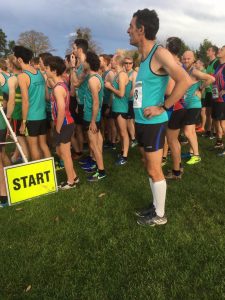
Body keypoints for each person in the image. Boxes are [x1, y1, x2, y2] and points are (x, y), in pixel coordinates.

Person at [127, 8, 191, 226]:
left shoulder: (159, 53)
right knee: (148, 165)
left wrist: (163, 107)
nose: (128, 31)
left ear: (141, 29)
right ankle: (155, 206)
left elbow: (184, 80)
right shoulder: (143, 57)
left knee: (155, 168)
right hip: (142, 121)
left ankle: (160, 215)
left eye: (131, 26)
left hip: (154, 122)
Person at [45, 56, 79, 189]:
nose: (45, 70)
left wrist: (57, 127)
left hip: (64, 124)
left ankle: (71, 182)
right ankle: (74, 176)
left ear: (54, 71)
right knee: (60, 152)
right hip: (64, 124)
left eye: (47, 68)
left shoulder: (58, 88)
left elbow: (61, 110)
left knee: (65, 154)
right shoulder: (59, 84)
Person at [13, 45, 51, 161]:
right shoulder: (39, 73)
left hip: (31, 117)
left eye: (14, 58)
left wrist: (23, 122)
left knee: (33, 146)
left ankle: (39, 171)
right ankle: (50, 171)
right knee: (43, 145)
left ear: (19, 59)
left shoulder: (22, 76)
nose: (14, 60)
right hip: (42, 115)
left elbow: (25, 101)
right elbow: (46, 96)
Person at [182, 51, 215, 165]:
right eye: (184, 58)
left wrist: (200, 88)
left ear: (193, 59)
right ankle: (191, 153)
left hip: (194, 104)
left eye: (188, 59)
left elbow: (211, 79)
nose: (186, 60)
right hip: (187, 104)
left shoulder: (194, 71)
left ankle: (196, 155)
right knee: (190, 131)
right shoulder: (185, 71)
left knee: (187, 131)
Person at [82, 51, 106, 181]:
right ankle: (99, 166)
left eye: (85, 61)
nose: (83, 63)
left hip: (91, 116)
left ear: (89, 63)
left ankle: (101, 171)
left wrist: (92, 121)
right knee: (97, 142)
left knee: (94, 145)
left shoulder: (92, 80)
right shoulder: (97, 76)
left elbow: (96, 102)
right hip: (93, 115)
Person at [105, 54, 130, 165]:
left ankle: (124, 157)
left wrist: (110, 87)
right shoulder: (117, 75)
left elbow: (121, 94)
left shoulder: (122, 75)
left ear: (117, 62)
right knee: (120, 132)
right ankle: (122, 151)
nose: (111, 62)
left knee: (124, 133)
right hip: (116, 107)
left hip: (122, 108)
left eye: (112, 60)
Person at [211, 45, 225, 156]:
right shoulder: (218, 65)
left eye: (221, 50)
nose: (219, 51)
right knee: (216, 120)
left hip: (223, 99)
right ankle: (219, 142)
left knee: (223, 123)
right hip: (216, 97)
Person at [203, 46, 220, 138]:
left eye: (209, 50)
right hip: (208, 90)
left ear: (214, 52)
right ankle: (208, 130)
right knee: (208, 112)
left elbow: (217, 76)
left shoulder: (216, 62)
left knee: (213, 111)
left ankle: (213, 132)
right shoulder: (209, 63)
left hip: (214, 89)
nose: (207, 51)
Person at [123, 56, 138, 147]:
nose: (128, 65)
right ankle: (132, 137)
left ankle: (133, 139)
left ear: (133, 64)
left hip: (130, 100)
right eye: (126, 63)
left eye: (130, 63)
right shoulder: (123, 73)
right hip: (124, 101)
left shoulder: (134, 73)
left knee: (129, 120)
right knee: (128, 121)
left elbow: (134, 88)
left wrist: (126, 97)